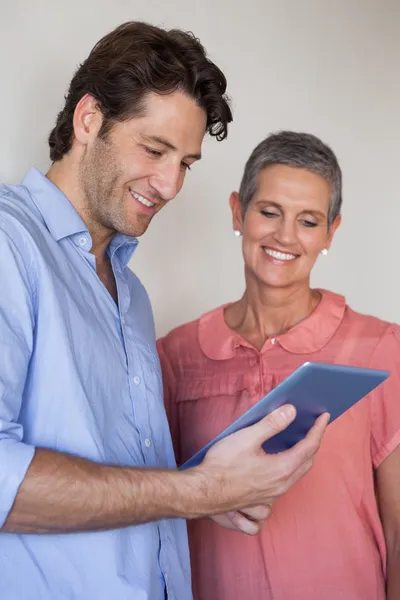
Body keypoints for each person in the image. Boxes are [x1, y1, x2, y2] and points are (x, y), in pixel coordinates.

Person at [0, 23, 329, 600]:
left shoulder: (132, 294)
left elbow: (134, 483)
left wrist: (215, 490)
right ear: (88, 119)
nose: (171, 184)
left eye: (187, 163)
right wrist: (200, 491)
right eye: (154, 150)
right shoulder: (9, 244)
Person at [158, 131, 400, 600]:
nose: (285, 236)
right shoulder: (175, 356)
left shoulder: (380, 348)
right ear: (237, 212)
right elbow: (158, 506)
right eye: (269, 212)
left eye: (308, 221)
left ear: (330, 232)